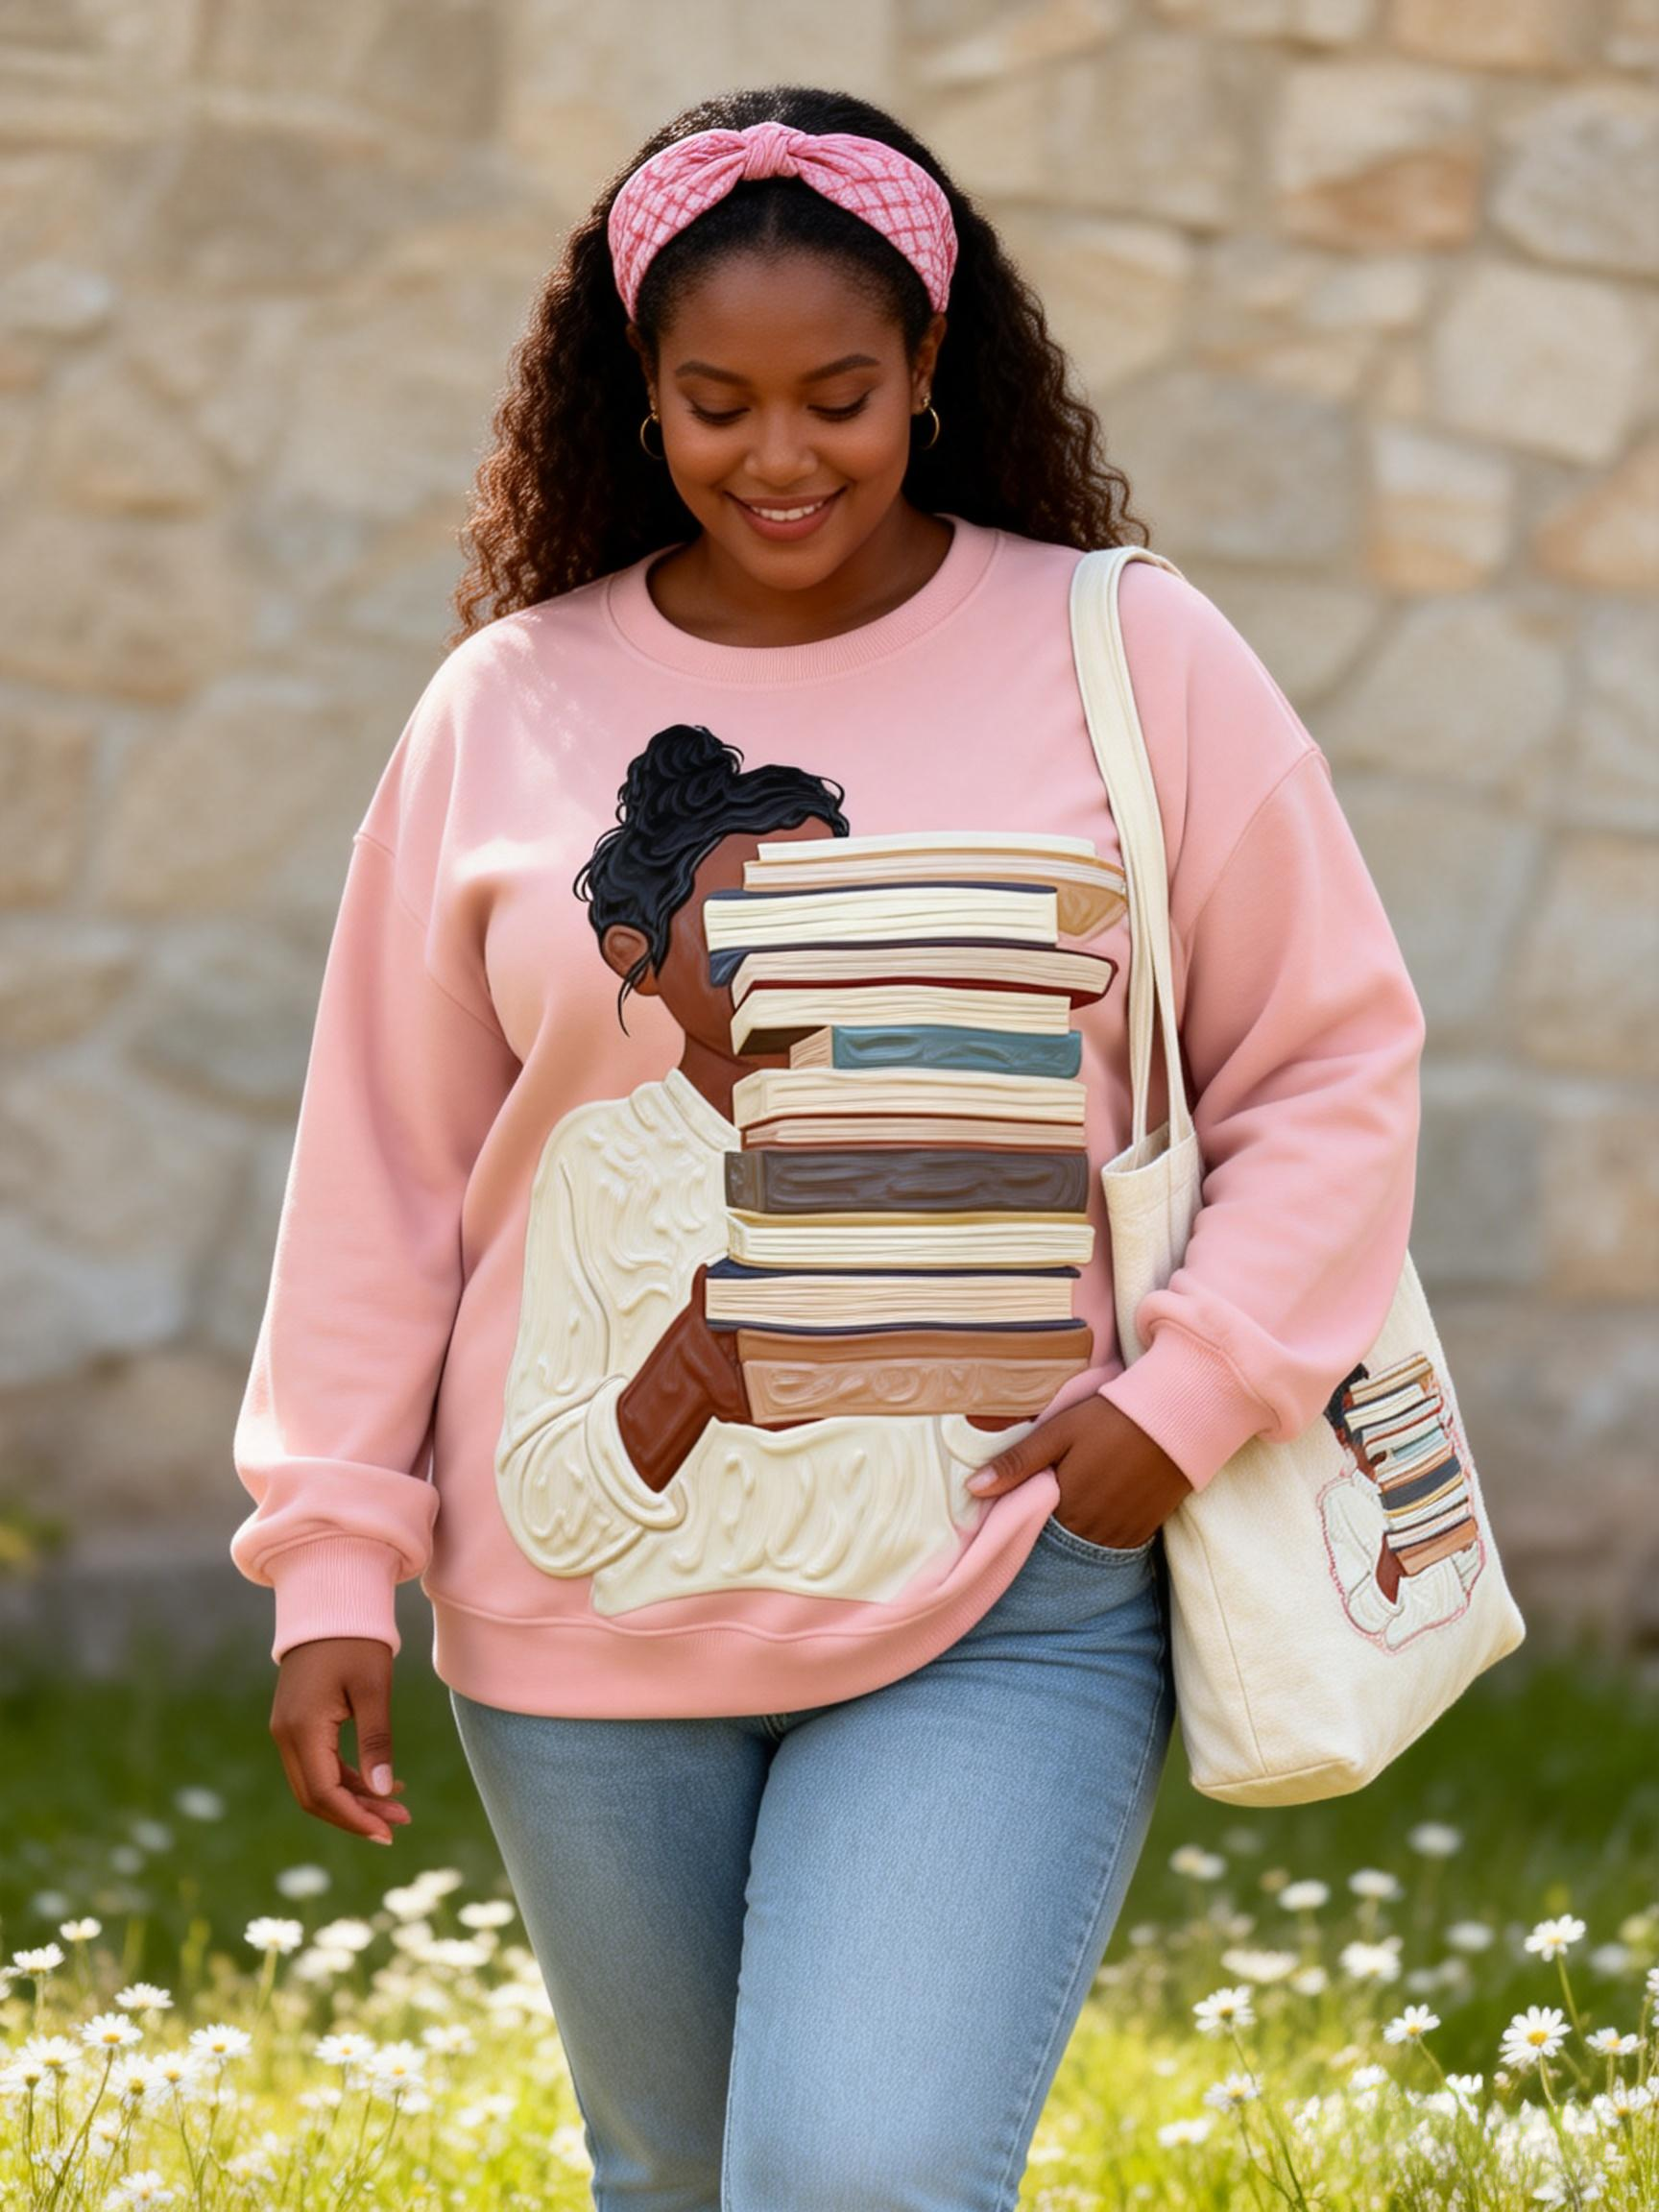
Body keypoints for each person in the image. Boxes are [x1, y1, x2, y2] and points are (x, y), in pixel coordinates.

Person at [229, 83, 1426, 2212]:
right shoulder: (504, 705)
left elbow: (1328, 1062)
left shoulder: (1127, 651)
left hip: (1009, 1584)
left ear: (934, 377)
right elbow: (385, 1172)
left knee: (861, 2174)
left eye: (840, 397)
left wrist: (1196, 1389)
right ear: (643, 400)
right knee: (678, 2179)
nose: (781, 457)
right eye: (717, 404)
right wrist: (337, 1551)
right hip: (579, 1623)